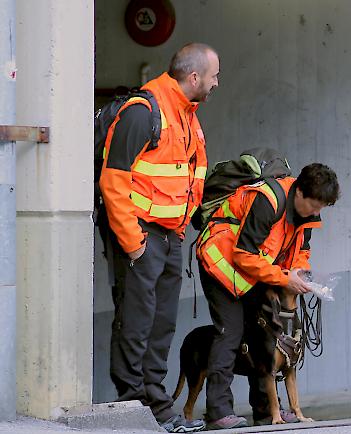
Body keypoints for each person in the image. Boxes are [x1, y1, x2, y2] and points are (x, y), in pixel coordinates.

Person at [99, 43, 219, 433]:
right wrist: (134, 243)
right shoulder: (143, 111)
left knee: (163, 321)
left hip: (170, 236)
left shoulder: (187, 116)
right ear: (195, 77)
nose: (218, 83)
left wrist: (180, 228)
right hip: (142, 234)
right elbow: (113, 181)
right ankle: (134, 401)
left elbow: (190, 179)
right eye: (214, 75)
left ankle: (157, 402)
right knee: (137, 320)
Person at [195, 163, 340, 429]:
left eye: (322, 207)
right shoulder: (268, 201)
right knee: (229, 332)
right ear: (299, 194)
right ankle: (218, 412)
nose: (317, 212)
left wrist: (301, 274)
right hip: (220, 264)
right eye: (315, 205)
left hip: (253, 274)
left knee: (264, 335)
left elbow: (300, 252)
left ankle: (266, 411)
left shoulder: (306, 215)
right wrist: (285, 279)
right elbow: (243, 254)